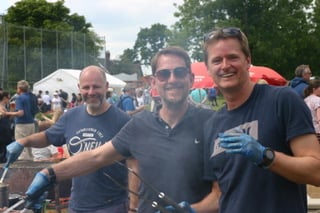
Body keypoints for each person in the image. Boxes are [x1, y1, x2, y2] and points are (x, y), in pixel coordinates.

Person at [15, 46, 218, 213]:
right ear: (155, 82)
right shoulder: (140, 125)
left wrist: (194, 210)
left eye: (179, 72)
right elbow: (96, 157)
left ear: (190, 79)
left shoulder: (212, 124)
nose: (172, 79)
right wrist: (49, 174)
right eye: (164, 74)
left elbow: (222, 194)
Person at [201, 27, 320, 213]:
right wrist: (191, 210)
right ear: (208, 68)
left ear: (248, 61)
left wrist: (266, 156)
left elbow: (316, 171)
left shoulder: (282, 100)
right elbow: (219, 194)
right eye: (217, 60)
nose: (225, 66)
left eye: (232, 57)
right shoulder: (211, 125)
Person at [5, 65, 131, 213]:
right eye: (86, 87)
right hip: (77, 204)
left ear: (106, 87)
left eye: (96, 87)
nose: (91, 92)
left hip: (111, 205)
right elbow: (48, 136)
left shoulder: (123, 121)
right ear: (79, 88)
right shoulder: (71, 116)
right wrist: (23, 142)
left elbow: (134, 165)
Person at [4, 80, 37, 160]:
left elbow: (20, 113)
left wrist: (7, 113)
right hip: (31, 123)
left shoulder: (20, 98)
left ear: (19, 88)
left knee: (21, 146)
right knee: (29, 147)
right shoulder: (32, 96)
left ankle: (23, 167)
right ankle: (30, 164)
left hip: (22, 124)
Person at [0, 91, 12, 163]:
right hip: (2, 128)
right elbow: (3, 114)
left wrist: (12, 111)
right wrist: (16, 113)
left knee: (6, 142)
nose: (9, 100)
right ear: (4, 98)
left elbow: (9, 118)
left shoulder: (5, 106)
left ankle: (4, 158)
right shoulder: (1, 106)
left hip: (6, 127)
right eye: (8, 98)